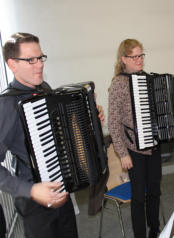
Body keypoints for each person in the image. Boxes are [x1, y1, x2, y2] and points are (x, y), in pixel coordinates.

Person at [0, 32, 104, 238]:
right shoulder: (6, 105)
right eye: (30, 60)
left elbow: (61, 132)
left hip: (61, 190)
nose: (39, 65)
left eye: (40, 58)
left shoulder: (44, 89)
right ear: (12, 64)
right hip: (35, 203)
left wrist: (90, 115)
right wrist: (31, 190)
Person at [108, 39, 161, 238]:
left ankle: (154, 230)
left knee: (155, 191)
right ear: (124, 59)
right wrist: (122, 154)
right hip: (134, 149)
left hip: (153, 146)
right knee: (138, 197)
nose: (139, 60)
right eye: (134, 56)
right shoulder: (119, 84)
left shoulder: (148, 79)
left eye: (141, 55)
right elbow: (113, 123)